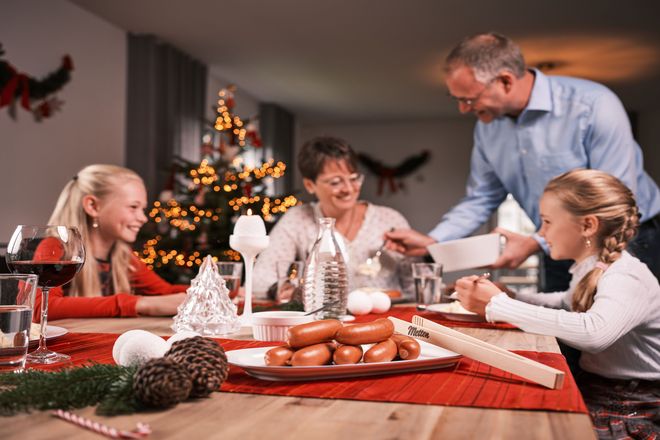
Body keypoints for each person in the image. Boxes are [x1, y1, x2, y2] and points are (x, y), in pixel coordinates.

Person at [385, 32, 660, 291]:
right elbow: (480, 197)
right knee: (557, 335)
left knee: (619, 336)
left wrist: (534, 242)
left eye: (469, 98)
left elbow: (613, 197)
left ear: (505, 81)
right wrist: (434, 241)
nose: (463, 109)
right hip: (556, 244)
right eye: (457, 99)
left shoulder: (594, 105)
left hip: (629, 237)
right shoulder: (487, 128)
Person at [455, 169, 659, 439]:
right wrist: (511, 296)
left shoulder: (626, 275)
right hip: (602, 389)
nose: (541, 233)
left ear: (588, 225)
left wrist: (498, 305)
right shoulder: (593, 267)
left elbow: (594, 332)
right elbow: (566, 302)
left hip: (629, 404)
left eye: (547, 222)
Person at [253, 136, 416, 300]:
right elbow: (259, 279)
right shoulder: (298, 219)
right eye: (335, 182)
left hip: (389, 318)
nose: (349, 189)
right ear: (310, 185)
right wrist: (282, 289)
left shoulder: (390, 220)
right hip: (326, 317)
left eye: (354, 179)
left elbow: (416, 285)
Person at [36, 164, 188, 320]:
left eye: (142, 209)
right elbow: (40, 307)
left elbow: (166, 292)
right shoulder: (55, 247)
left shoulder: (123, 256)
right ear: (93, 206)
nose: (143, 218)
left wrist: (207, 290)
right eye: (133, 207)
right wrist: (140, 304)